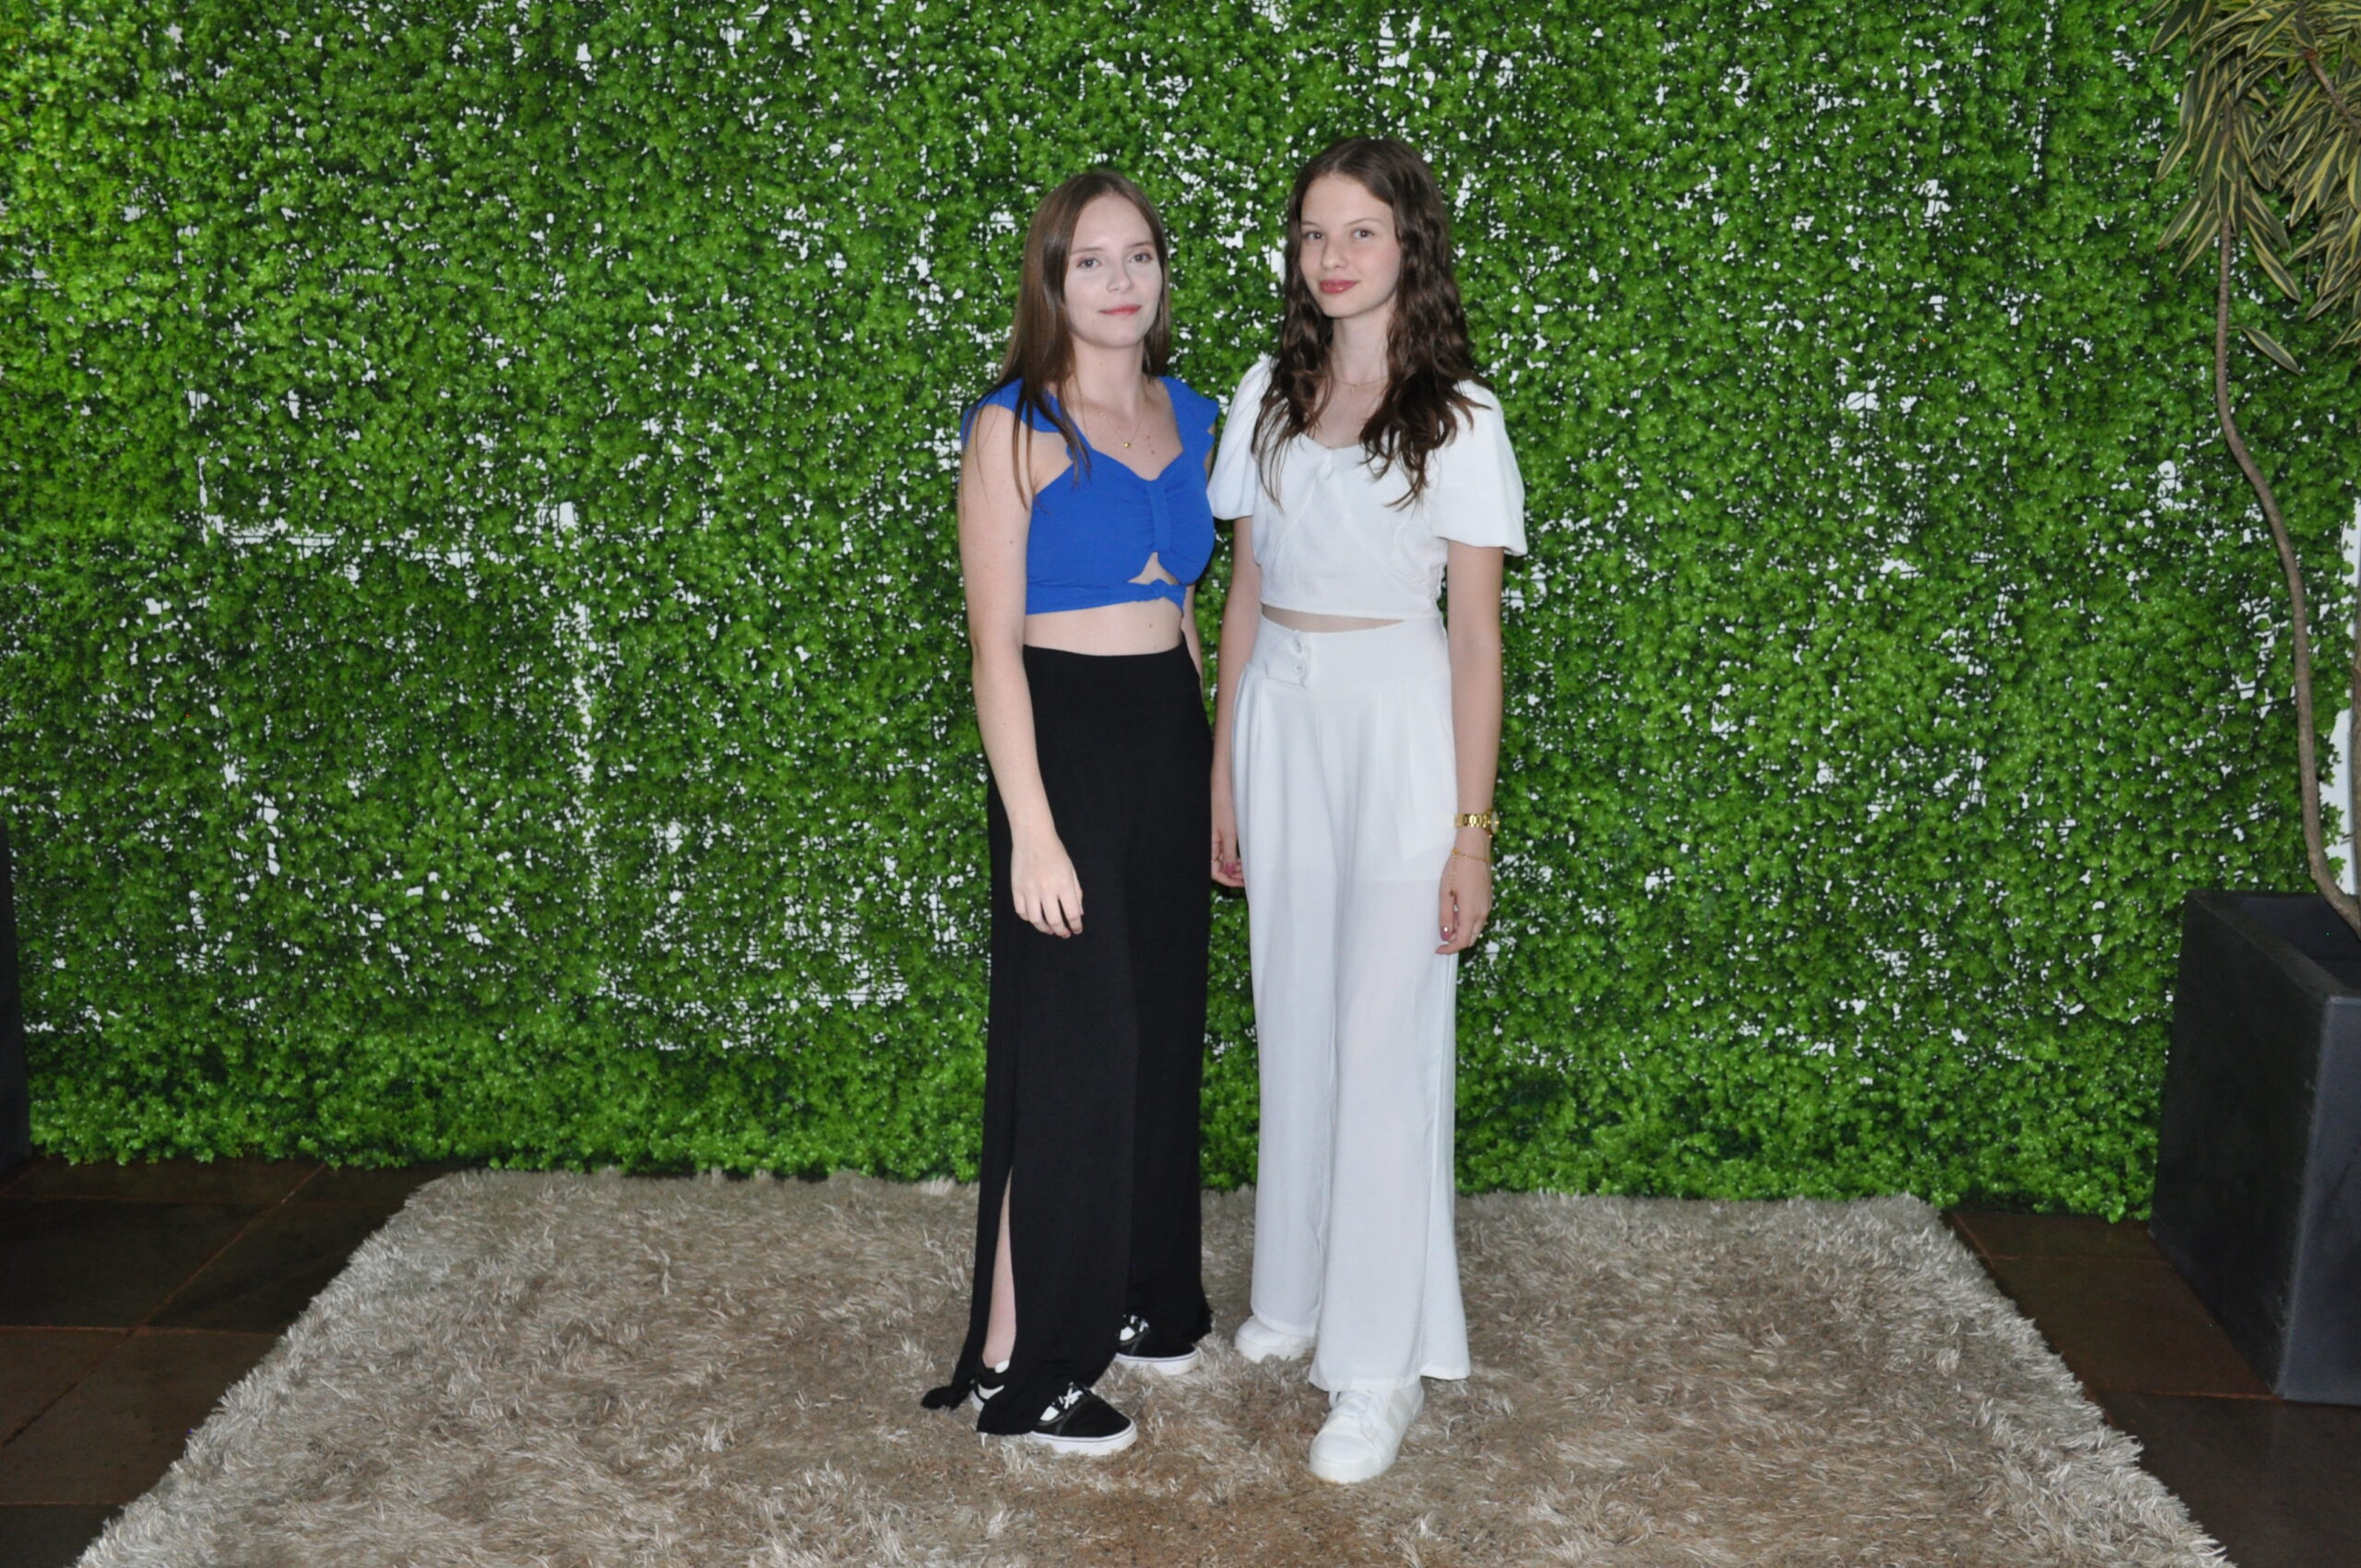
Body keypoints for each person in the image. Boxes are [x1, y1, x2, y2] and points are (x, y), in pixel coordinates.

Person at [1206, 137, 1525, 1484]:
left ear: (1410, 248)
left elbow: (1476, 641)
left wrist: (1470, 835)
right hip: (1281, 720)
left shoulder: (1460, 418)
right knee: (1294, 1007)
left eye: (1360, 233)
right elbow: (1239, 593)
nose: (1331, 258)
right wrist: (1224, 770)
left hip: (1400, 729)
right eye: (1312, 234)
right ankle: (1295, 1289)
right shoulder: (1266, 397)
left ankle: (1380, 1369)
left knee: (1384, 1037)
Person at [921, 171, 1220, 1455]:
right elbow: (992, 649)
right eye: (1089, 260)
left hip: (1168, 732)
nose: (1118, 280)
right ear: (1052, 281)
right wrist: (1033, 831)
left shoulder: (1194, 415)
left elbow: (1190, 615)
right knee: (1075, 1050)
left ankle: (1141, 1300)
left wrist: (1220, 776)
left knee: (1157, 1031)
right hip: (1061, 738)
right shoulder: (1012, 427)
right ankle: (1022, 1363)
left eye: (1137, 255)